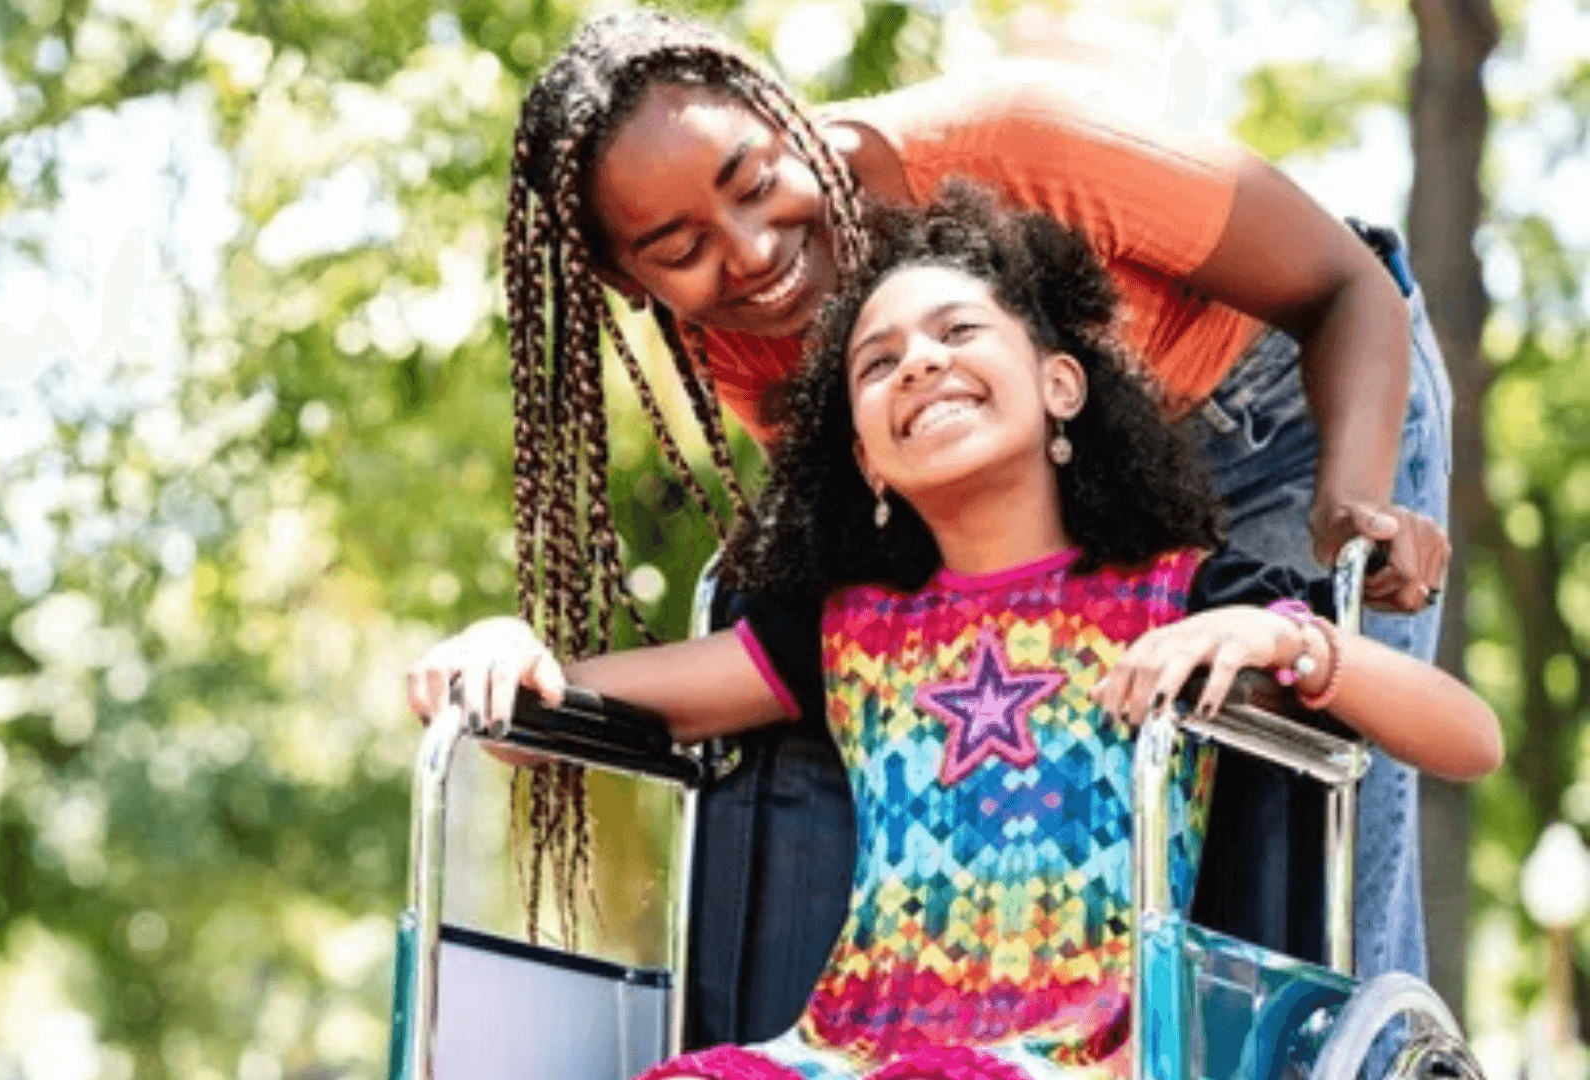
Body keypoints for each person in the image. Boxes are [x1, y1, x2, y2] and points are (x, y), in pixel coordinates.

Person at [418, 191, 1499, 1080]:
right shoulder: (848, 634)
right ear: (867, 459)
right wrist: (506, 656)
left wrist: (1290, 644)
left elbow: (1469, 741)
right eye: (877, 364)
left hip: (1077, 1053)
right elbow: (562, 713)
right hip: (845, 1049)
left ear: (1059, 383)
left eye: (958, 332)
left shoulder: (1188, 596)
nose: (920, 366)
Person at [499, 7, 1453, 995]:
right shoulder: (739, 334)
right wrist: (547, 679)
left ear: (781, 114)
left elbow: (1347, 287)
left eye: (751, 181)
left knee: (1301, 838)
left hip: (1284, 410)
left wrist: (1352, 505)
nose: (747, 252)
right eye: (678, 246)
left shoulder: (1015, 137)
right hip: (1066, 489)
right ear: (624, 275)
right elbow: (886, 579)